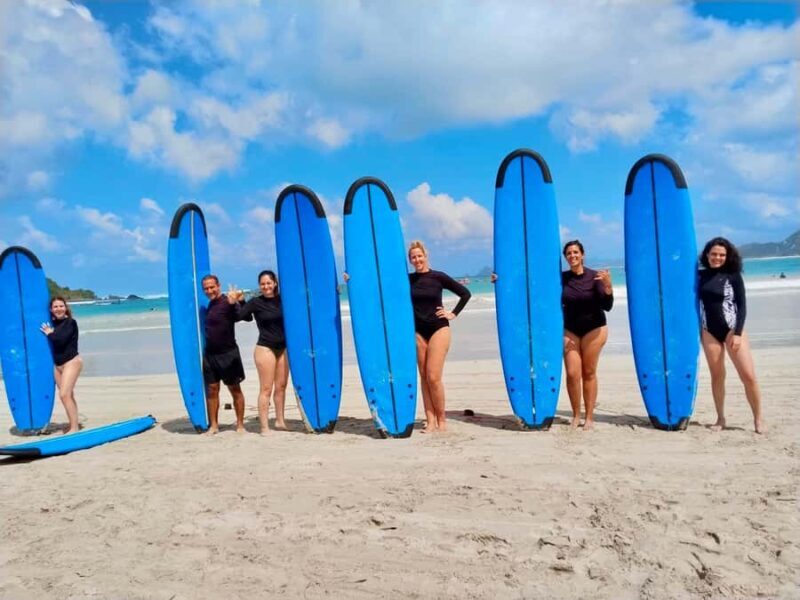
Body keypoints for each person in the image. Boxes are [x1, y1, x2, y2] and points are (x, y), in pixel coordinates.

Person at [698, 237, 765, 433]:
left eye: (722, 255)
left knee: (748, 376)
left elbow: (742, 306)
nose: (717, 257)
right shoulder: (699, 275)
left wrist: (737, 333)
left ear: (727, 257)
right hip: (708, 330)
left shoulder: (733, 275)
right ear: (707, 255)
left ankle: (758, 418)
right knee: (717, 376)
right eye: (714, 254)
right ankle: (720, 418)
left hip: (732, 329)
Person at [408, 240, 471, 433]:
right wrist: (351, 279)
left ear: (426, 256)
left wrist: (452, 313)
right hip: (418, 331)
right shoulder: (407, 280)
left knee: (434, 377)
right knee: (424, 378)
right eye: (413, 257)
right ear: (410, 260)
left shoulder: (438, 276)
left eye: (420, 256)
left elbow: (465, 293)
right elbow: (383, 286)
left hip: (439, 329)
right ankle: (431, 420)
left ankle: (442, 420)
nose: (417, 259)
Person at [561, 240, 613, 430]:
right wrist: (500, 279)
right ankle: (576, 415)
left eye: (575, 252)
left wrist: (608, 287)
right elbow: (535, 285)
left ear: (582, 255)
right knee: (573, 374)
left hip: (594, 329)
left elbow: (607, 306)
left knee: (588, 372)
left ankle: (589, 417)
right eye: (568, 253)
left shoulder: (595, 277)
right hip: (570, 329)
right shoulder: (562, 278)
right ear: (565, 257)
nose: (572, 256)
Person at [236, 270, 289, 435]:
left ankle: (280, 421)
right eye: (262, 284)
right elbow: (240, 316)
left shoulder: (284, 299)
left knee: (281, 386)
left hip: (283, 348)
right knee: (266, 388)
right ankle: (264, 426)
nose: (266, 286)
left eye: (268, 283)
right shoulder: (255, 302)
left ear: (275, 283)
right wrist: (239, 301)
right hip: (265, 348)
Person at [201, 274, 251, 434]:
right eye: (206, 288)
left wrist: (238, 301)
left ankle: (240, 425)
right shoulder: (210, 305)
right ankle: (214, 425)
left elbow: (247, 317)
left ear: (218, 286)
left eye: (212, 287)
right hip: (210, 355)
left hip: (228, 355)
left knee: (234, 389)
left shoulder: (227, 302)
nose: (209, 290)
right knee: (212, 389)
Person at [40, 297, 82, 434]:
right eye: (55, 307)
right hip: (57, 366)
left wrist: (50, 333)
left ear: (66, 308)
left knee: (64, 395)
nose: (59, 309)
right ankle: (74, 423)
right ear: (51, 310)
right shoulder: (53, 324)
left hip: (71, 362)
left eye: (61, 306)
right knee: (68, 395)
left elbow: (60, 340)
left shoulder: (71, 323)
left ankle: (74, 428)